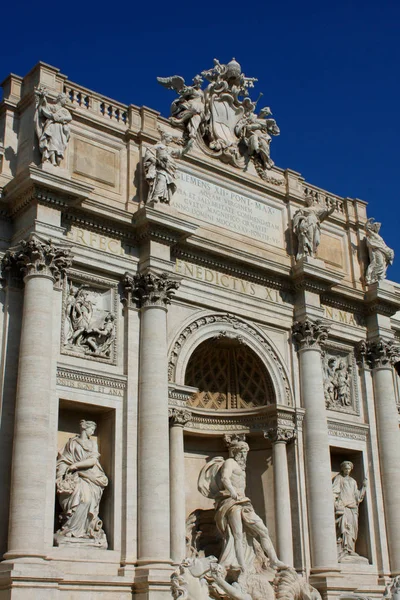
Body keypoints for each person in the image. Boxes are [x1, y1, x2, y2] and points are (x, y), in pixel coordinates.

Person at [198, 437, 286, 573]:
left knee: (263, 530)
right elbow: (225, 478)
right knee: (237, 534)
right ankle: (242, 565)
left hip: (244, 503)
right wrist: (232, 491)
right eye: (242, 452)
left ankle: (274, 560)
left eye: (245, 452)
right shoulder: (230, 463)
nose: (244, 456)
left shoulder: (241, 467)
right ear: (236, 452)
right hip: (231, 502)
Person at [55, 419, 108, 546]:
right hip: (75, 478)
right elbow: (64, 459)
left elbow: (93, 461)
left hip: (90, 476)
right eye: (91, 429)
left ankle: (84, 531)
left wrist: (75, 466)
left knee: (87, 501)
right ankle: (71, 530)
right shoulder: (71, 443)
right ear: (85, 428)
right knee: (80, 500)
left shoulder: (92, 444)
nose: (92, 432)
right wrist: (63, 473)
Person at [332, 461, 367, 561]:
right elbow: (334, 491)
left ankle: (350, 549)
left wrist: (364, 487)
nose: (347, 470)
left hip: (353, 507)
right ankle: (343, 550)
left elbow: (358, 497)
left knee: (352, 529)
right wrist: (336, 504)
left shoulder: (353, 481)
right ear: (342, 469)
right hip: (344, 507)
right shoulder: (339, 478)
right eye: (345, 469)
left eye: (349, 469)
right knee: (344, 528)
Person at [35, 89, 72, 166]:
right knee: (52, 143)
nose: (65, 102)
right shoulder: (53, 107)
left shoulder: (64, 110)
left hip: (60, 129)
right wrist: (42, 98)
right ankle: (52, 160)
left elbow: (70, 118)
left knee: (60, 145)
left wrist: (62, 119)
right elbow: (43, 109)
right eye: (65, 100)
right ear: (60, 99)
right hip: (52, 126)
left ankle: (57, 160)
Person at [293, 194, 336, 260]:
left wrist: (334, 205)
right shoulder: (303, 209)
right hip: (308, 224)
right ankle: (308, 253)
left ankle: (312, 252)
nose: (309, 201)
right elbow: (296, 218)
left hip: (315, 225)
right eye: (307, 200)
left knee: (315, 240)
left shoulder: (317, 210)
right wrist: (303, 217)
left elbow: (328, 212)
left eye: (310, 199)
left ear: (312, 200)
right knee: (309, 238)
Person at [365, 218, 394, 284]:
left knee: (382, 264)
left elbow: (384, 245)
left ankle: (378, 277)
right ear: (374, 228)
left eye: (379, 227)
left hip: (382, 251)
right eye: (377, 227)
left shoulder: (379, 237)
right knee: (379, 263)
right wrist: (368, 222)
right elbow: (366, 229)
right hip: (376, 249)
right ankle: (374, 277)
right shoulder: (372, 233)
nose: (378, 228)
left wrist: (389, 251)